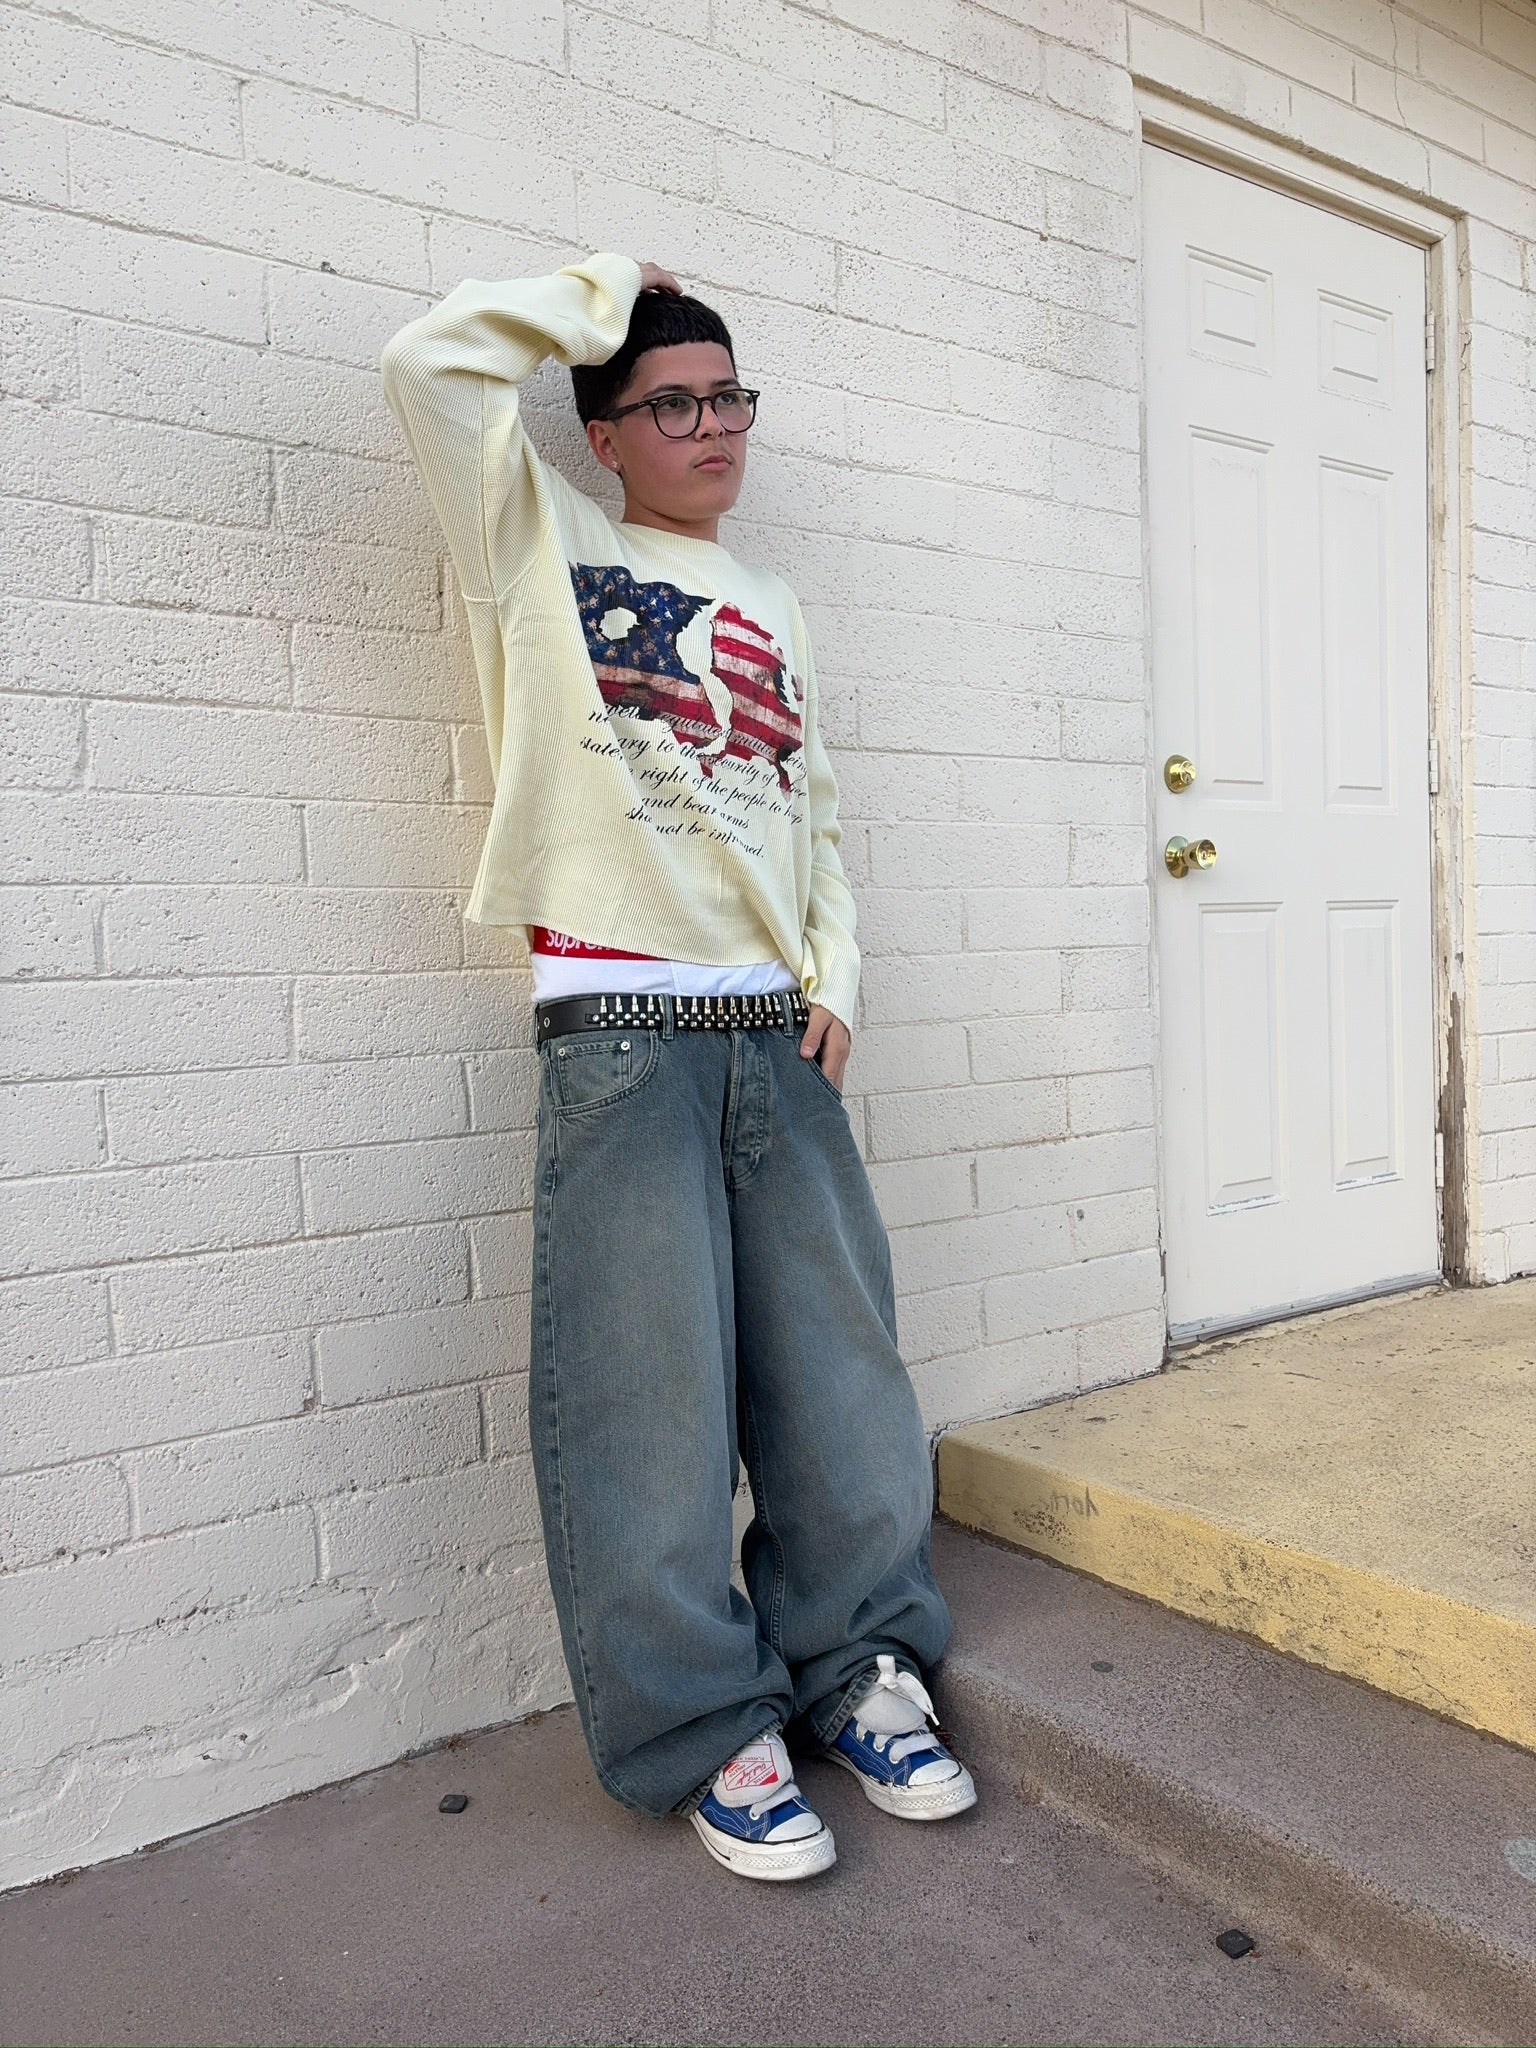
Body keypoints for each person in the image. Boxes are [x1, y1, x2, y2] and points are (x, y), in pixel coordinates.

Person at [380, 254, 975, 1881]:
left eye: (730, 398)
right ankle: (710, 1726)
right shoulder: (542, 545)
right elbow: (430, 365)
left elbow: (814, 810)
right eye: (673, 404)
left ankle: (861, 1665)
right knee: (645, 1402)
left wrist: (834, 974)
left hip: (776, 1039)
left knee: (843, 1386)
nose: (714, 427)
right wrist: (601, 290)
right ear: (603, 436)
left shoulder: (773, 599)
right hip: (625, 1038)